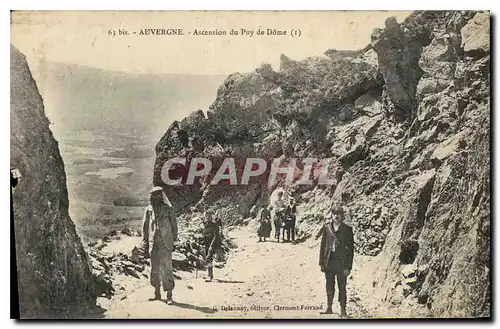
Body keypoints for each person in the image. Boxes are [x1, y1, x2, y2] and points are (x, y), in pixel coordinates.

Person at [142, 186, 178, 304]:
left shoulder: (168, 209)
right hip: (154, 244)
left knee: (167, 268)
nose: (156, 197)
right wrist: (145, 242)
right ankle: (157, 294)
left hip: (165, 243)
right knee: (154, 268)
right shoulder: (148, 210)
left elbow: (174, 226)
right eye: (154, 195)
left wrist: (174, 240)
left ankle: (169, 296)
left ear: (161, 196)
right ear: (151, 197)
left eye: (158, 195)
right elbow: (145, 227)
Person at [318, 203, 354, 317]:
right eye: (334, 213)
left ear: (342, 216)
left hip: (342, 264)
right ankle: (329, 307)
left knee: (342, 287)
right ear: (331, 215)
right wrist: (321, 263)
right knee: (329, 285)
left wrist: (348, 267)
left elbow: (351, 250)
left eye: (338, 214)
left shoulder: (347, 229)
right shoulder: (327, 228)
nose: (336, 216)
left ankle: (343, 311)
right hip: (329, 262)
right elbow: (323, 246)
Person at [203, 210, 223, 282]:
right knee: (208, 257)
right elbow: (204, 234)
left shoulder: (214, 225)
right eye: (206, 216)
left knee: (209, 256)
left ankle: (209, 276)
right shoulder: (205, 224)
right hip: (207, 243)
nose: (207, 217)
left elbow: (216, 235)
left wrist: (212, 246)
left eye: (209, 216)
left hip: (213, 242)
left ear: (211, 217)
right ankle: (210, 275)